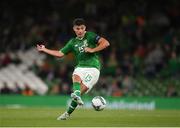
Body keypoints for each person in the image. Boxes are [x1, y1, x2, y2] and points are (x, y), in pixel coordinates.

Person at [36, 18, 110, 120]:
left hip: (93, 68)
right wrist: (44, 49)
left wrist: (92, 50)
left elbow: (106, 43)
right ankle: (76, 97)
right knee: (76, 76)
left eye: (82, 28)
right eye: (77, 28)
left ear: (85, 29)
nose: (80, 30)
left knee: (80, 90)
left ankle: (67, 113)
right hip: (80, 67)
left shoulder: (91, 36)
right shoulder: (72, 42)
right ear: (74, 29)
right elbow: (59, 54)